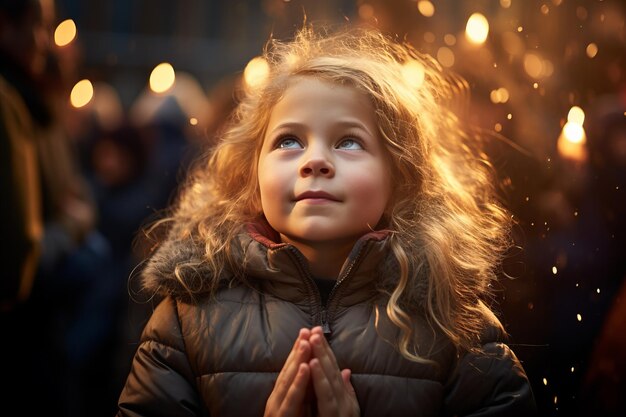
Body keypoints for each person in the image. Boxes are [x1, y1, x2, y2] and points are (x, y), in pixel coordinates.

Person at [118, 27, 536, 416]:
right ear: (252, 175)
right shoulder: (188, 320)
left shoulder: (455, 327)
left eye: (348, 141)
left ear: (400, 177)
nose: (315, 160)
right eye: (289, 140)